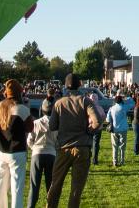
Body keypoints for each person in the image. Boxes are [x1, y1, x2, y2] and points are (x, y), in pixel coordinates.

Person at [47, 74, 101, 208]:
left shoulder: (59, 103)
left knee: (55, 184)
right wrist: (89, 131)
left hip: (63, 148)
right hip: (82, 147)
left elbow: (52, 126)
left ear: (65, 86)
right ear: (80, 85)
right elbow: (98, 121)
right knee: (76, 189)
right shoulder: (85, 101)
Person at [0, 79, 33, 208]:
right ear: (19, 93)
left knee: (0, 183)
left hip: (0, 151)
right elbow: (30, 128)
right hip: (17, 152)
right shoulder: (22, 109)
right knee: (17, 186)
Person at [26, 101, 57, 208]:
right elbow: (58, 142)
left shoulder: (36, 123)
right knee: (50, 186)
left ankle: (31, 206)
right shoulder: (56, 125)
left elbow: (29, 140)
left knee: (34, 186)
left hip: (37, 154)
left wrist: (34, 148)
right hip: (51, 154)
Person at [106, 95, 129, 167]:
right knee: (122, 146)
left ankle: (114, 162)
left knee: (114, 146)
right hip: (123, 129)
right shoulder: (124, 107)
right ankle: (122, 161)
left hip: (114, 129)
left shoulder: (112, 108)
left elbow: (107, 120)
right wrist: (127, 97)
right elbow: (132, 103)